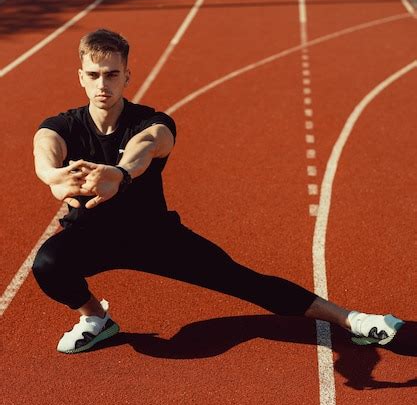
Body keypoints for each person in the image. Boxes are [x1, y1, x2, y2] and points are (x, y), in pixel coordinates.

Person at [32, 29, 404, 354]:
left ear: (127, 76)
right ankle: (96, 318)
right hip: (93, 237)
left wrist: (120, 174)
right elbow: (44, 148)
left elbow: (145, 148)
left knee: (246, 282)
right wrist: (53, 176)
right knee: (48, 264)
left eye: (112, 74)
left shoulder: (152, 122)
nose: (103, 85)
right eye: (94, 75)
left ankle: (353, 319)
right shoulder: (63, 126)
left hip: (154, 237)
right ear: (81, 77)